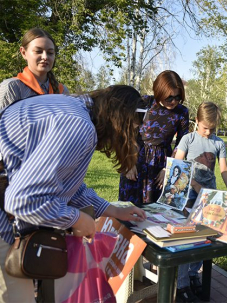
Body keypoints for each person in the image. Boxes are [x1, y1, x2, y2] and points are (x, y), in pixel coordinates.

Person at [0, 85, 147, 302]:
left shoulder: (72, 110)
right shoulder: (78, 126)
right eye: (131, 130)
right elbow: (22, 200)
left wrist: (113, 210)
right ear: (120, 122)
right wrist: (77, 219)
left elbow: (63, 182)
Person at [174, 101, 227, 302]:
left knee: (204, 237)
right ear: (196, 121)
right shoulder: (187, 140)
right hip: (188, 195)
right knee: (187, 238)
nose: (208, 132)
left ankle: (193, 274)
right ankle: (181, 284)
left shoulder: (218, 143)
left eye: (212, 128)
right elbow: (178, 165)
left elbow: (223, 168)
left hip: (210, 197)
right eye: (205, 127)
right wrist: (195, 184)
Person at [118, 70, 189, 205]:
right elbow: (125, 132)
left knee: (157, 211)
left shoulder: (182, 112)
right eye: (169, 97)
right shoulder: (144, 102)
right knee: (128, 209)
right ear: (159, 91)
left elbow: (182, 143)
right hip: (135, 161)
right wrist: (127, 162)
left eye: (177, 97)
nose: (173, 101)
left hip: (161, 166)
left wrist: (168, 169)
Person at [0, 27, 69, 110]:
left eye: (50, 53)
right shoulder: (12, 88)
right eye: (38, 51)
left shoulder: (62, 91)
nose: (45, 57)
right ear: (24, 53)